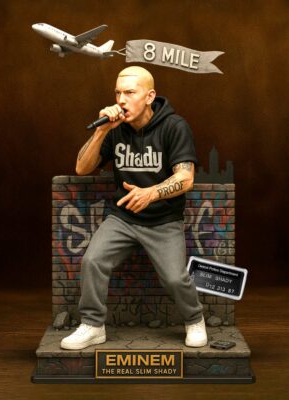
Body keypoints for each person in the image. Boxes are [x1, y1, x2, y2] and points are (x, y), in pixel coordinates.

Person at [61, 66, 207, 350]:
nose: (121, 100)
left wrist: (151, 193)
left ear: (149, 96)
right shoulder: (115, 128)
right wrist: (102, 131)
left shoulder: (174, 126)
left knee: (174, 278)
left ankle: (194, 319)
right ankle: (93, 325)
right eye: (118, 93)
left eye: (129, 93)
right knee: (93, 261)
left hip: (163, 219)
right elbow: (82, 168)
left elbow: (186, 177)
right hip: (123, 218)